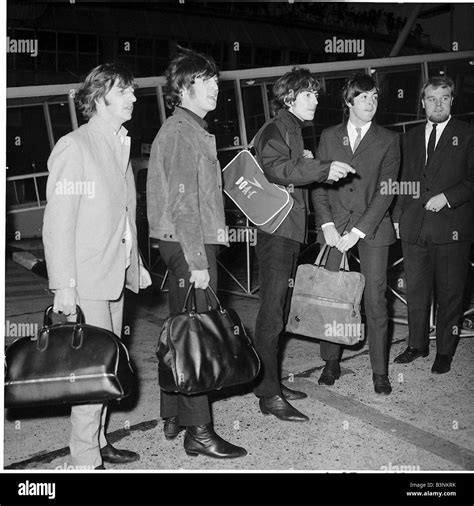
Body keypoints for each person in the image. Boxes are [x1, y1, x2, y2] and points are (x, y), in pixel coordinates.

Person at [43, 63, 151, 469]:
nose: (134, 98)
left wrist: (134, 264)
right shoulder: (76, 146)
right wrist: (64, 286)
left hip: (114, 274)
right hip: (85, 280)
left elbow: (123, 214)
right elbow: (58, 223)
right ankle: (84, 459)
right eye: (125, 91)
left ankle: (100, 440)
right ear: (101, 97)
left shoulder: (118, 144)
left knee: (109, 366)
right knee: (91, 371)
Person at [147, 47, 246, 458]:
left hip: (185, 240)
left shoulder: (186, 129)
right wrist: (198, 261)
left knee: (182, 326)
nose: (216, 90)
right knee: (198, 337)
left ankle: (172, 411)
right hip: (190, 243)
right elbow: (184, 203)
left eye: (216, 83)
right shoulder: (182, 133)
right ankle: (198, 431)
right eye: (208, 83)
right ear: (186, 88)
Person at [253, 67, 355, 422]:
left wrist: (310, 163)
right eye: (309, 94)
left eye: (315, 93)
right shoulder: (276, 128)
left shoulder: (292, 129)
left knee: (279, 310)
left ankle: (271, 382)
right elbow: (277, 169)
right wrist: (321, 168)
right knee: (271, 312)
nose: (316, 99)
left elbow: (289, 167)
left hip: (288, 231)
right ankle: (268, 394)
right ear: (289, 98)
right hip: (276, 233)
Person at [311, 73, 400, 395]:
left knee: (376, 301)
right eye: (364, 97)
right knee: (334, 298)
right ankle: (331, 361)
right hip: (334, 230)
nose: (371, 103)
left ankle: (380, 371)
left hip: (372, 230)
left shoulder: (389, 139)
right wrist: (328, 226)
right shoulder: (329, 136)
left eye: (375, 97)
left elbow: (386, 191)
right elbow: (319, 184)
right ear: (348, 101)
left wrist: (359, 231)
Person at [393, 75, 474, 374]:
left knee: (450, 292)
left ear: (452, 100)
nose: (437, 104)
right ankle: (417, 345)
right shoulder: (410, 136)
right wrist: (398, 217)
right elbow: (402, 181)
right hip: (414, 227)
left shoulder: (467, 134)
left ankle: (445, 351)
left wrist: (447, 198)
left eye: (443, 98)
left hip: (452, 228)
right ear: (423, 102)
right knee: (416, 290)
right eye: (431, 99)